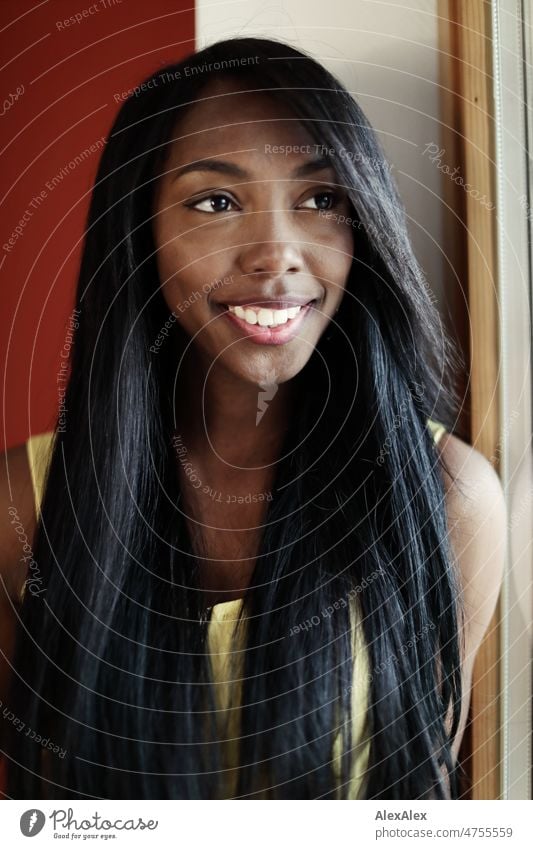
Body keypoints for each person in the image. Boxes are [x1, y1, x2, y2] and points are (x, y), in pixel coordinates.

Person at [0, 36, 506, 800]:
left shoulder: (451, 497)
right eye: (216, 202)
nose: (277, 252)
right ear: (141, 233)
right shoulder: (23, 506)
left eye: (320, 199)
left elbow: (420, 798)